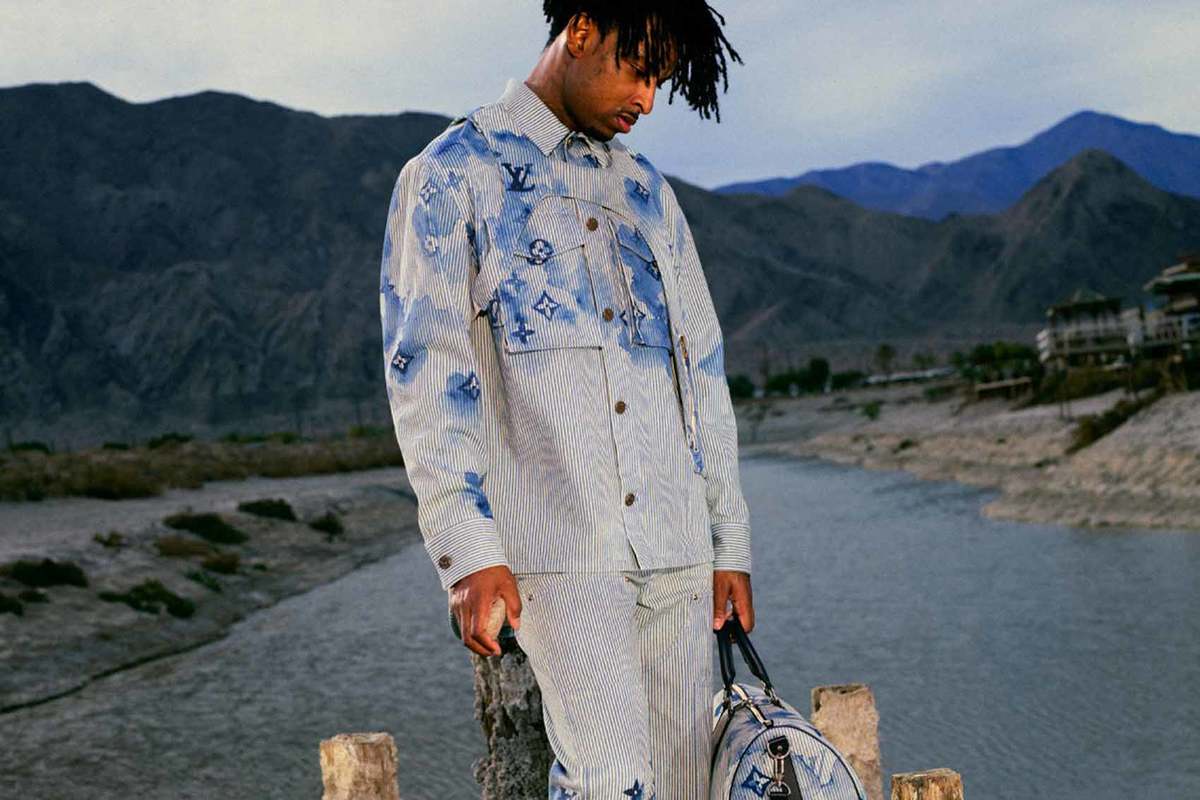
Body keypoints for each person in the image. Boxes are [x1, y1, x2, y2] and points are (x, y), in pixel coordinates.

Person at [380, 3, 753, 797]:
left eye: (661, 82)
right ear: (580, 31)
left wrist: (731, 546)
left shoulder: (648, 193)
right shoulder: (451, 175)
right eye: (640, 70)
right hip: (564, 551)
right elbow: (428, 377)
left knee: (689, 783)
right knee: (606, 782)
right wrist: (468, 551)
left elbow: (703, 373)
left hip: (678, 548)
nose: (647, 99)